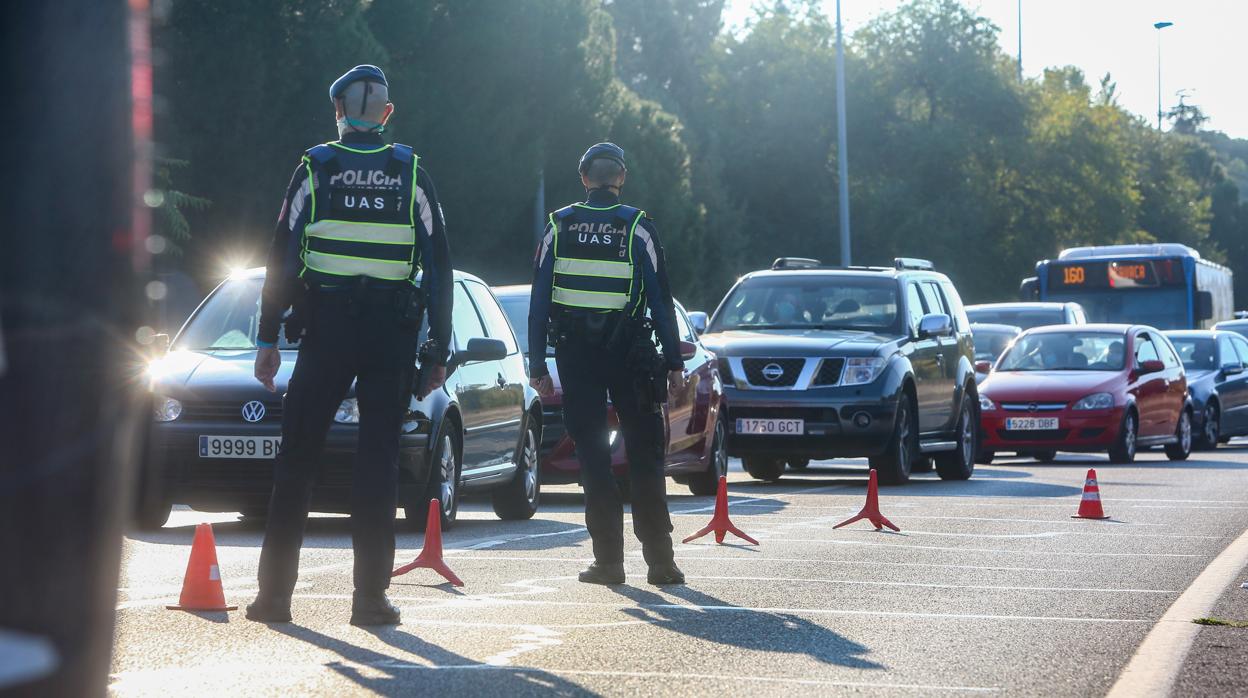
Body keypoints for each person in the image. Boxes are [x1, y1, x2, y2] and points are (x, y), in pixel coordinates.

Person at [246, 65, 453, 626]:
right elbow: (439, 266)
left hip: (327, 330)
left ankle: (274, 598)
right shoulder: (411, 173)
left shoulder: (315, 168)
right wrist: (436, 352)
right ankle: (369, 600)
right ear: (386, 115)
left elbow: (281, 256)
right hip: (391, 336)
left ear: (337, 111)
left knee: (297, 459)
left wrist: (267, 337)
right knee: (377, 464)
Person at [527, 142, 686, 586]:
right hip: (631, 355)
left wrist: (537, 363)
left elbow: (539, 302)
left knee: (594, 457)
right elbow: (661, 300)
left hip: (577, 358)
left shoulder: (559, 225)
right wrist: (674, 363)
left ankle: (608, 563)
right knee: (645, 455)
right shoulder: (638, 226)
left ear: (583, 178)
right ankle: (661, 562)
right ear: (621, 179)